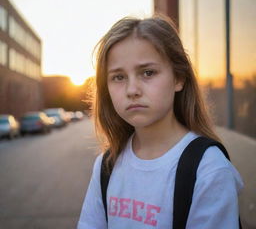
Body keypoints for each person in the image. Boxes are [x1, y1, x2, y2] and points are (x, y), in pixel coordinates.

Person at [77, 15, 243, 229]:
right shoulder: (106, 165)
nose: (132, 90)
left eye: (148, 72)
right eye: (119, 77)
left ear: (178, 78)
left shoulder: (208, 168)